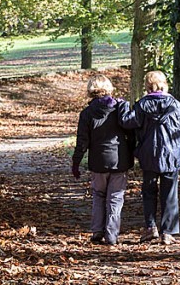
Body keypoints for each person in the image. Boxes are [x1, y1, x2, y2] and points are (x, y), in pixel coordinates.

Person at [121, 70, 180, 245]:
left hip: (149, 153)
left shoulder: (142, 105)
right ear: (164, 84)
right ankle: (168, 232)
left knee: (149, 192)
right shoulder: (175, 104)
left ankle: (151, 227)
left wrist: (124, 108)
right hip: (172, 154)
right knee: (170, 193)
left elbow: (128, 122)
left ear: (147, 86)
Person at [71, 75, 134, 246]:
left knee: (98, 195)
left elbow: (82, 141)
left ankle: (97, 229)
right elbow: (131, 133)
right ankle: (112, 234)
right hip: (119, 160)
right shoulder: (120, 109)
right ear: (109, 88)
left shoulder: (87, 113)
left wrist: (76, 162)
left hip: (98, 162)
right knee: (115, 198)